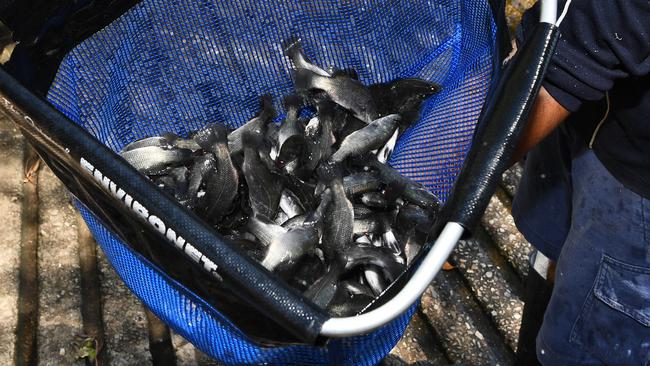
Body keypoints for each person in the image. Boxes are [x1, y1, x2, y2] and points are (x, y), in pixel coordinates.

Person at [509, 1, 650, 365]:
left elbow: (563, 69)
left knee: (584, 342)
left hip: (636, 182)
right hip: (587, 112)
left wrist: (448, 180)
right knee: (551, 257)